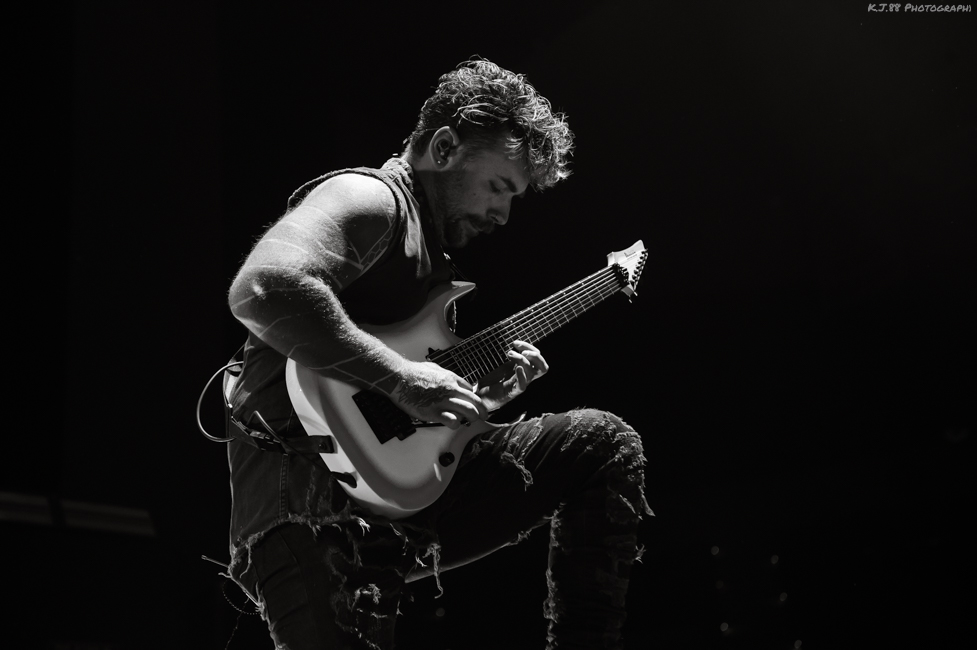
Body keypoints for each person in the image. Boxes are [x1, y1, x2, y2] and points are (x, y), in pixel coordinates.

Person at [223, 58, 653, 649]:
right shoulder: (370, 198)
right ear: (445, 147)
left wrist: (472, 407)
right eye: (499, 186)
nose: (503, 213)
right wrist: (403, 380)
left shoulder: (429, 253)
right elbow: (262, 288)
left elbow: (391, 406)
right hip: (307, 506)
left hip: (397, 506)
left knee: (601, 446)